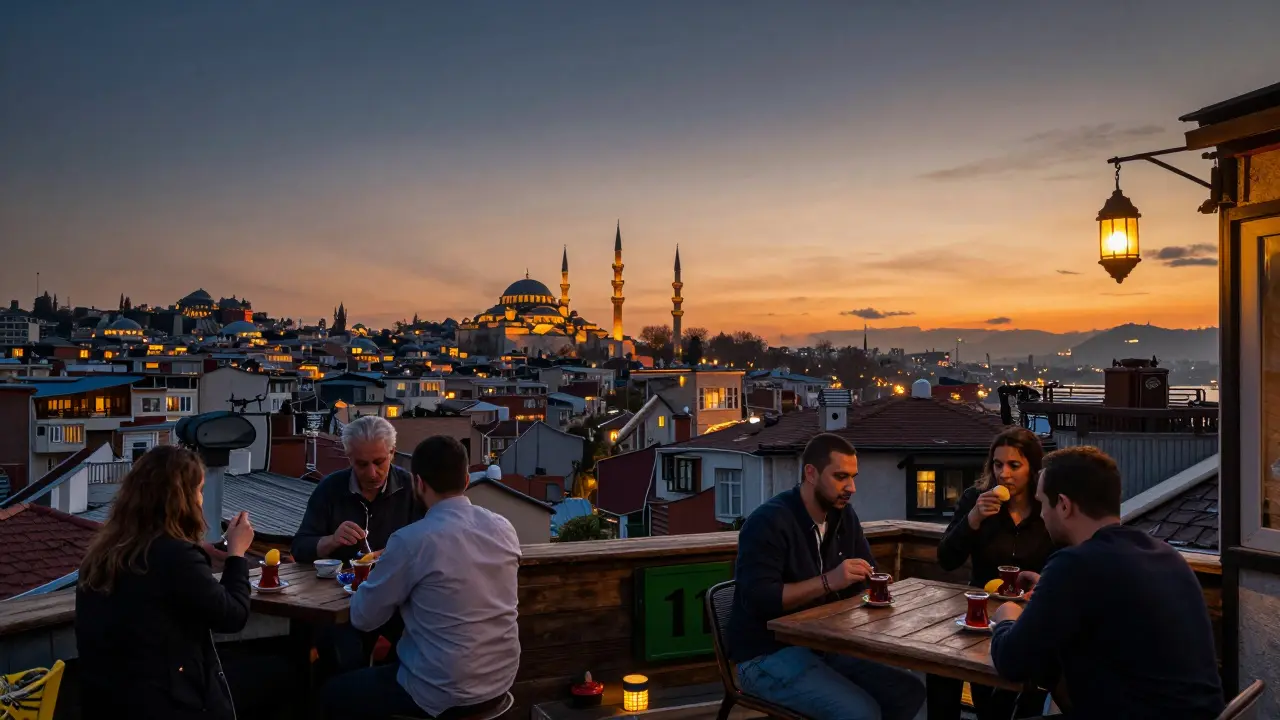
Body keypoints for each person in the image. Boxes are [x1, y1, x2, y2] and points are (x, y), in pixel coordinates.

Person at [989, 446, 1224, 720]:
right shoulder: (1164, 554)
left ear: (1064, 505)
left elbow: (1012, 662)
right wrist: (1049, 589)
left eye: (1043, 503)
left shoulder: (1075, 565)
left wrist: (1007, 617)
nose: (1041, 514)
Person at [728, 433, 926, 720]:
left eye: (853, 477)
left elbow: (865, 577)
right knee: (861, 713)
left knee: (909, 690)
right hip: (765, 654)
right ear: (811, 473)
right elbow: (760, 600)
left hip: (825, 644)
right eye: (841, 476)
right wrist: (829, 581)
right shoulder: (768, 522)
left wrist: (874, 586)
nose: (851, 487)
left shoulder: (842, 515)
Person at [322, 435, 521, 720]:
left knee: (334, 693)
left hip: (440, 693)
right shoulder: (503, 527)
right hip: (499, 683)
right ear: (466, 480)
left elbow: (364, 618)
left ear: (418, 483)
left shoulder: (410, 541)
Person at [75, 446, 258, 720]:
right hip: (169, 704)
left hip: (109, 702)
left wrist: (198, 557)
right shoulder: (175, 557)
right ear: (180, 498)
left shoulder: (102, 555)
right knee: (282, 673)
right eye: (198, 490)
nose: (200, 499)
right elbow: (233, 616)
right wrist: (237, 554)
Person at [931, 428, 1056, 720]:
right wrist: (972, 518)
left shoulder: (1047, 508)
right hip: (979, 618)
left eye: (1014, 465)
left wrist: (1042, 586)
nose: (1004, 474)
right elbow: (946, 559)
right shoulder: (976, 498)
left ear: (1033, 468)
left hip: (1029, 616)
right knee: (942, 672)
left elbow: (1061, 558)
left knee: (1015, 701)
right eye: (998, 465)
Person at [293, 415, 426, 672]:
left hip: (398, 601)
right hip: (341, 604)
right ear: (349, 458)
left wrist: (394, 552)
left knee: (415, 653)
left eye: (379, 462)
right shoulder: (331, 488)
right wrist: (331, 541)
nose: (372, 473)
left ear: (393, 453)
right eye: (361, 464)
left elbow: (429, 545)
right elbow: (300, 548)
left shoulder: (411, 488)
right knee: (341, 657)